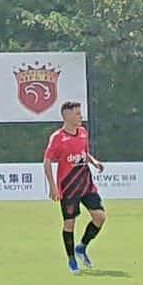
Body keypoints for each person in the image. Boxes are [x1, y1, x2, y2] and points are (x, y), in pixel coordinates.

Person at [43, 100, 106, 274]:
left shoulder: (83, 132)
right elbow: (47, 162)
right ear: (67, 115)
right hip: (68, 188)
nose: (81, 116)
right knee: (69, 223)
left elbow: (84, 153)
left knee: (100, 217)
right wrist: (53, 187)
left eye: (80, 113)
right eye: (77, 113)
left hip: (86, 184)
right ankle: (71, 259)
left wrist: (94, 162)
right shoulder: (58, 138)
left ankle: (82, 247)